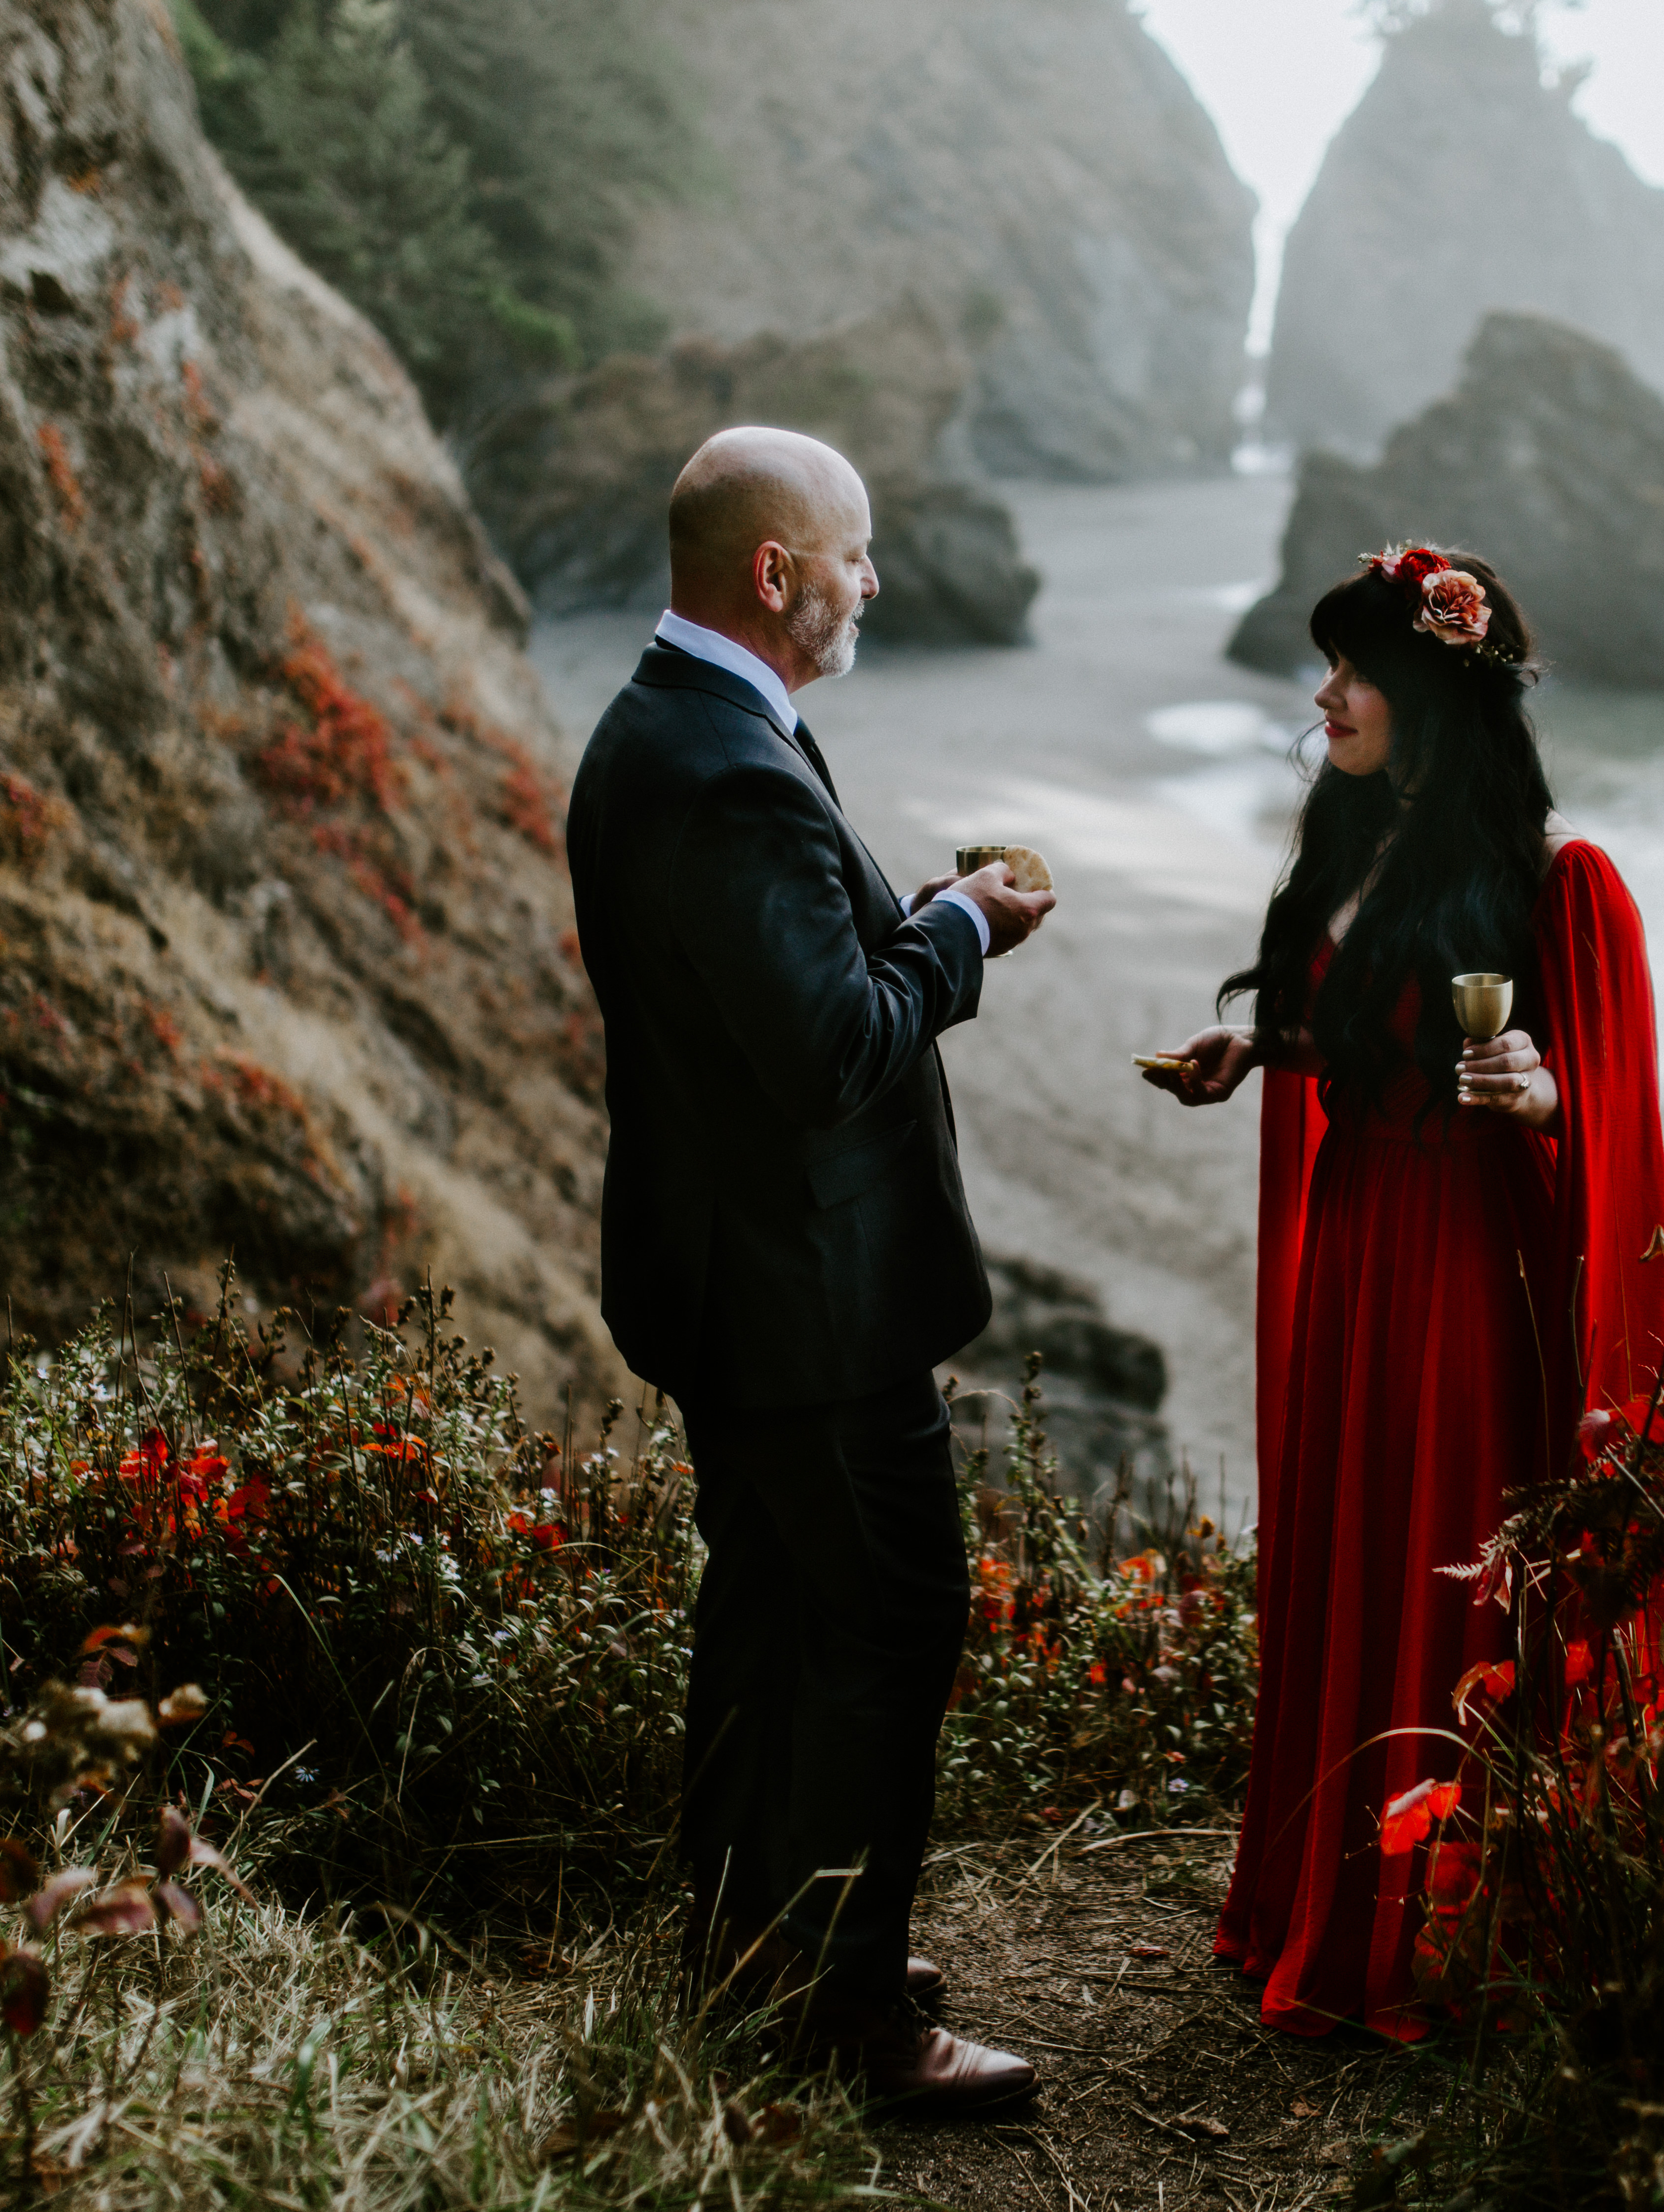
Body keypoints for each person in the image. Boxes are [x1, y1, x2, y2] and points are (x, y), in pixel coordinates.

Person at [566, 426, 1052, 2111]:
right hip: (806, 1306)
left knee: (774, 1622)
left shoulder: (675, 727)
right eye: (854, 552)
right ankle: (851, 2023)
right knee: (891, 1623)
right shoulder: (723, 766)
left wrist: (907, 916)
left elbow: (775, 995)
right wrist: (961, 932)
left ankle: (758, 1947)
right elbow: (836, 1048)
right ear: (777, 573)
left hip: (744, 1285)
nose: (873, 581)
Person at [1142, 546, 1664, 2040]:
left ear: (1437, 691)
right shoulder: (1356, 846)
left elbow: (1616, 1116)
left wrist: (1546, 1091)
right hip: (1361, 1239)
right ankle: (1329, 1898)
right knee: (1349, 1541)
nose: (1326, 697)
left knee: (1436, 1557)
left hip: (1458, 1271)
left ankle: (1432, 1939)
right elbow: (1368, 1041)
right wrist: (1266, 1052)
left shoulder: (1563, 884)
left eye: (1355, 670)